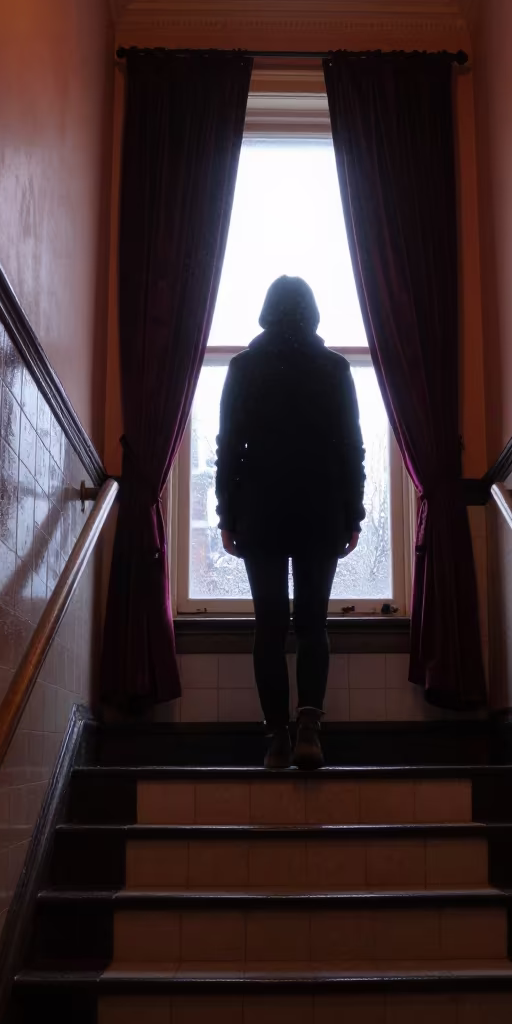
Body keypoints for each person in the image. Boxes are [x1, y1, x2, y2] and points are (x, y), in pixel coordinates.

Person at [216, 275, 366, 770]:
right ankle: (309, 730)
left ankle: (277, 736)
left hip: (261, 510)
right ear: (313, 313)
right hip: (320, 509)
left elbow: (228, 448)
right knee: (312, 624)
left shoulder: (243, 368)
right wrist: (353, 513)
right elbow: (351, 446)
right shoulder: (334, 368)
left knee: (269, 625)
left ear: (266, 312)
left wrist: (227, 514)